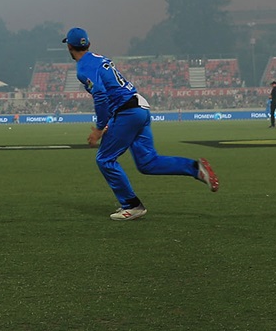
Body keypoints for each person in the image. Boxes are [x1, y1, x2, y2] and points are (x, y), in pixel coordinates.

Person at [63, 26, 218, 221]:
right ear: (88, 44)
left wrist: (100, 128)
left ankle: (132, 205)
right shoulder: (99, 58)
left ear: (69, 46)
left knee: (105, 159)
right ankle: (196, 169)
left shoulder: (83, 68)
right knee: (148, 163)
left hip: (127, 111)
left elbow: (101, 95)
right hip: (139, 107)